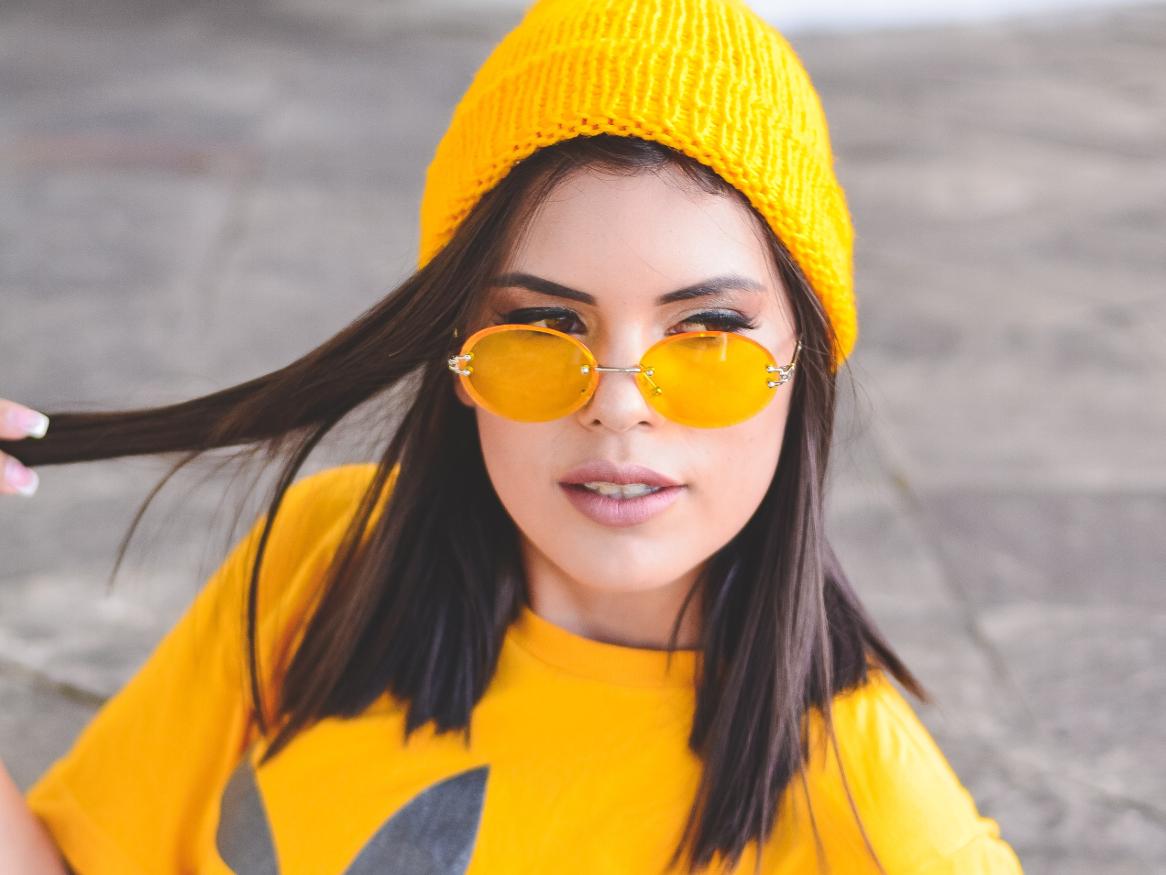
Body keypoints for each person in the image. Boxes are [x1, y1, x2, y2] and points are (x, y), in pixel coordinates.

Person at [0, 0, 1026, 872]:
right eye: (541, 326)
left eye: (706, 330)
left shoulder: (872, 810)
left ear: (804, 361)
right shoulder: (324, 559)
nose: (617, 404)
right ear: (457, 355)